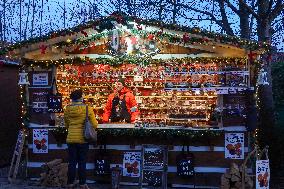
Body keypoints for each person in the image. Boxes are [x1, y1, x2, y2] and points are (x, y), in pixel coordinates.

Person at [64, 89, 98, 189]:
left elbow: (67, 124)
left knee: (72, 162)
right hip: (83, 139)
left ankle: (70, 183)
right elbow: (95, 124)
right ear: (81, 98)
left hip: (71, 139)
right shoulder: (87, 108)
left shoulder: (67, 109)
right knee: (82, 162)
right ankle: (82, 183)